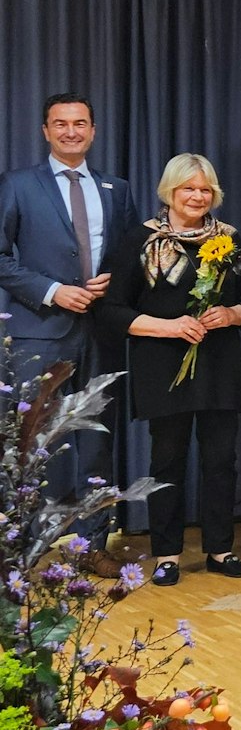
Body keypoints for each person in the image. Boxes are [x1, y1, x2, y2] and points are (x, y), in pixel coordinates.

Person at [0, 93, 143, 570]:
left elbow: (128, 257)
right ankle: (19, 547)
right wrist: (53, 291)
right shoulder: (18, 186)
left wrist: (114, 283)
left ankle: (93, 546)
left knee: (97, 439)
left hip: (101, 332)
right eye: (60, 124)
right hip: (40, 333)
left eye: (80, 123)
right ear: (45, 131)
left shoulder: (115, 188)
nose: (70, 131)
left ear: (93, 130)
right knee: (31, 441)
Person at [96, 154, 241, 585]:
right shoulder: (138, 241)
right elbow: (111, 311)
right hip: (161, 366)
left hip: (219, 364)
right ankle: (166, 554)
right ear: (170, 191)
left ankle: (221, 549)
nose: (197, 196)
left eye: (205, 189)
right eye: (188, 188)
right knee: (167, 462)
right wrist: (167, 327)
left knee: (222, 460)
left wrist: (232, 313)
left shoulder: (231, 239)